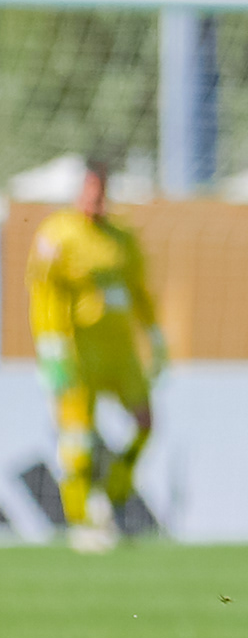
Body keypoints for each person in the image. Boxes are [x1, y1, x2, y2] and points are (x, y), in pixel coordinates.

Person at [25, 158, 167, 552]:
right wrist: (50, 347)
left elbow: (139, 290)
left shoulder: (122, 236)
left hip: (120, 353)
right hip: (77, 354)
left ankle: (114, 490)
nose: (96, 200)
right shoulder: (56, 236)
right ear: (78, 191)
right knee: (77, 439)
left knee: (145, 423)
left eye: (101, 192)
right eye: (90, 191)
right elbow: (43, 294)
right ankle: (81, 521)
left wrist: (154, 336)